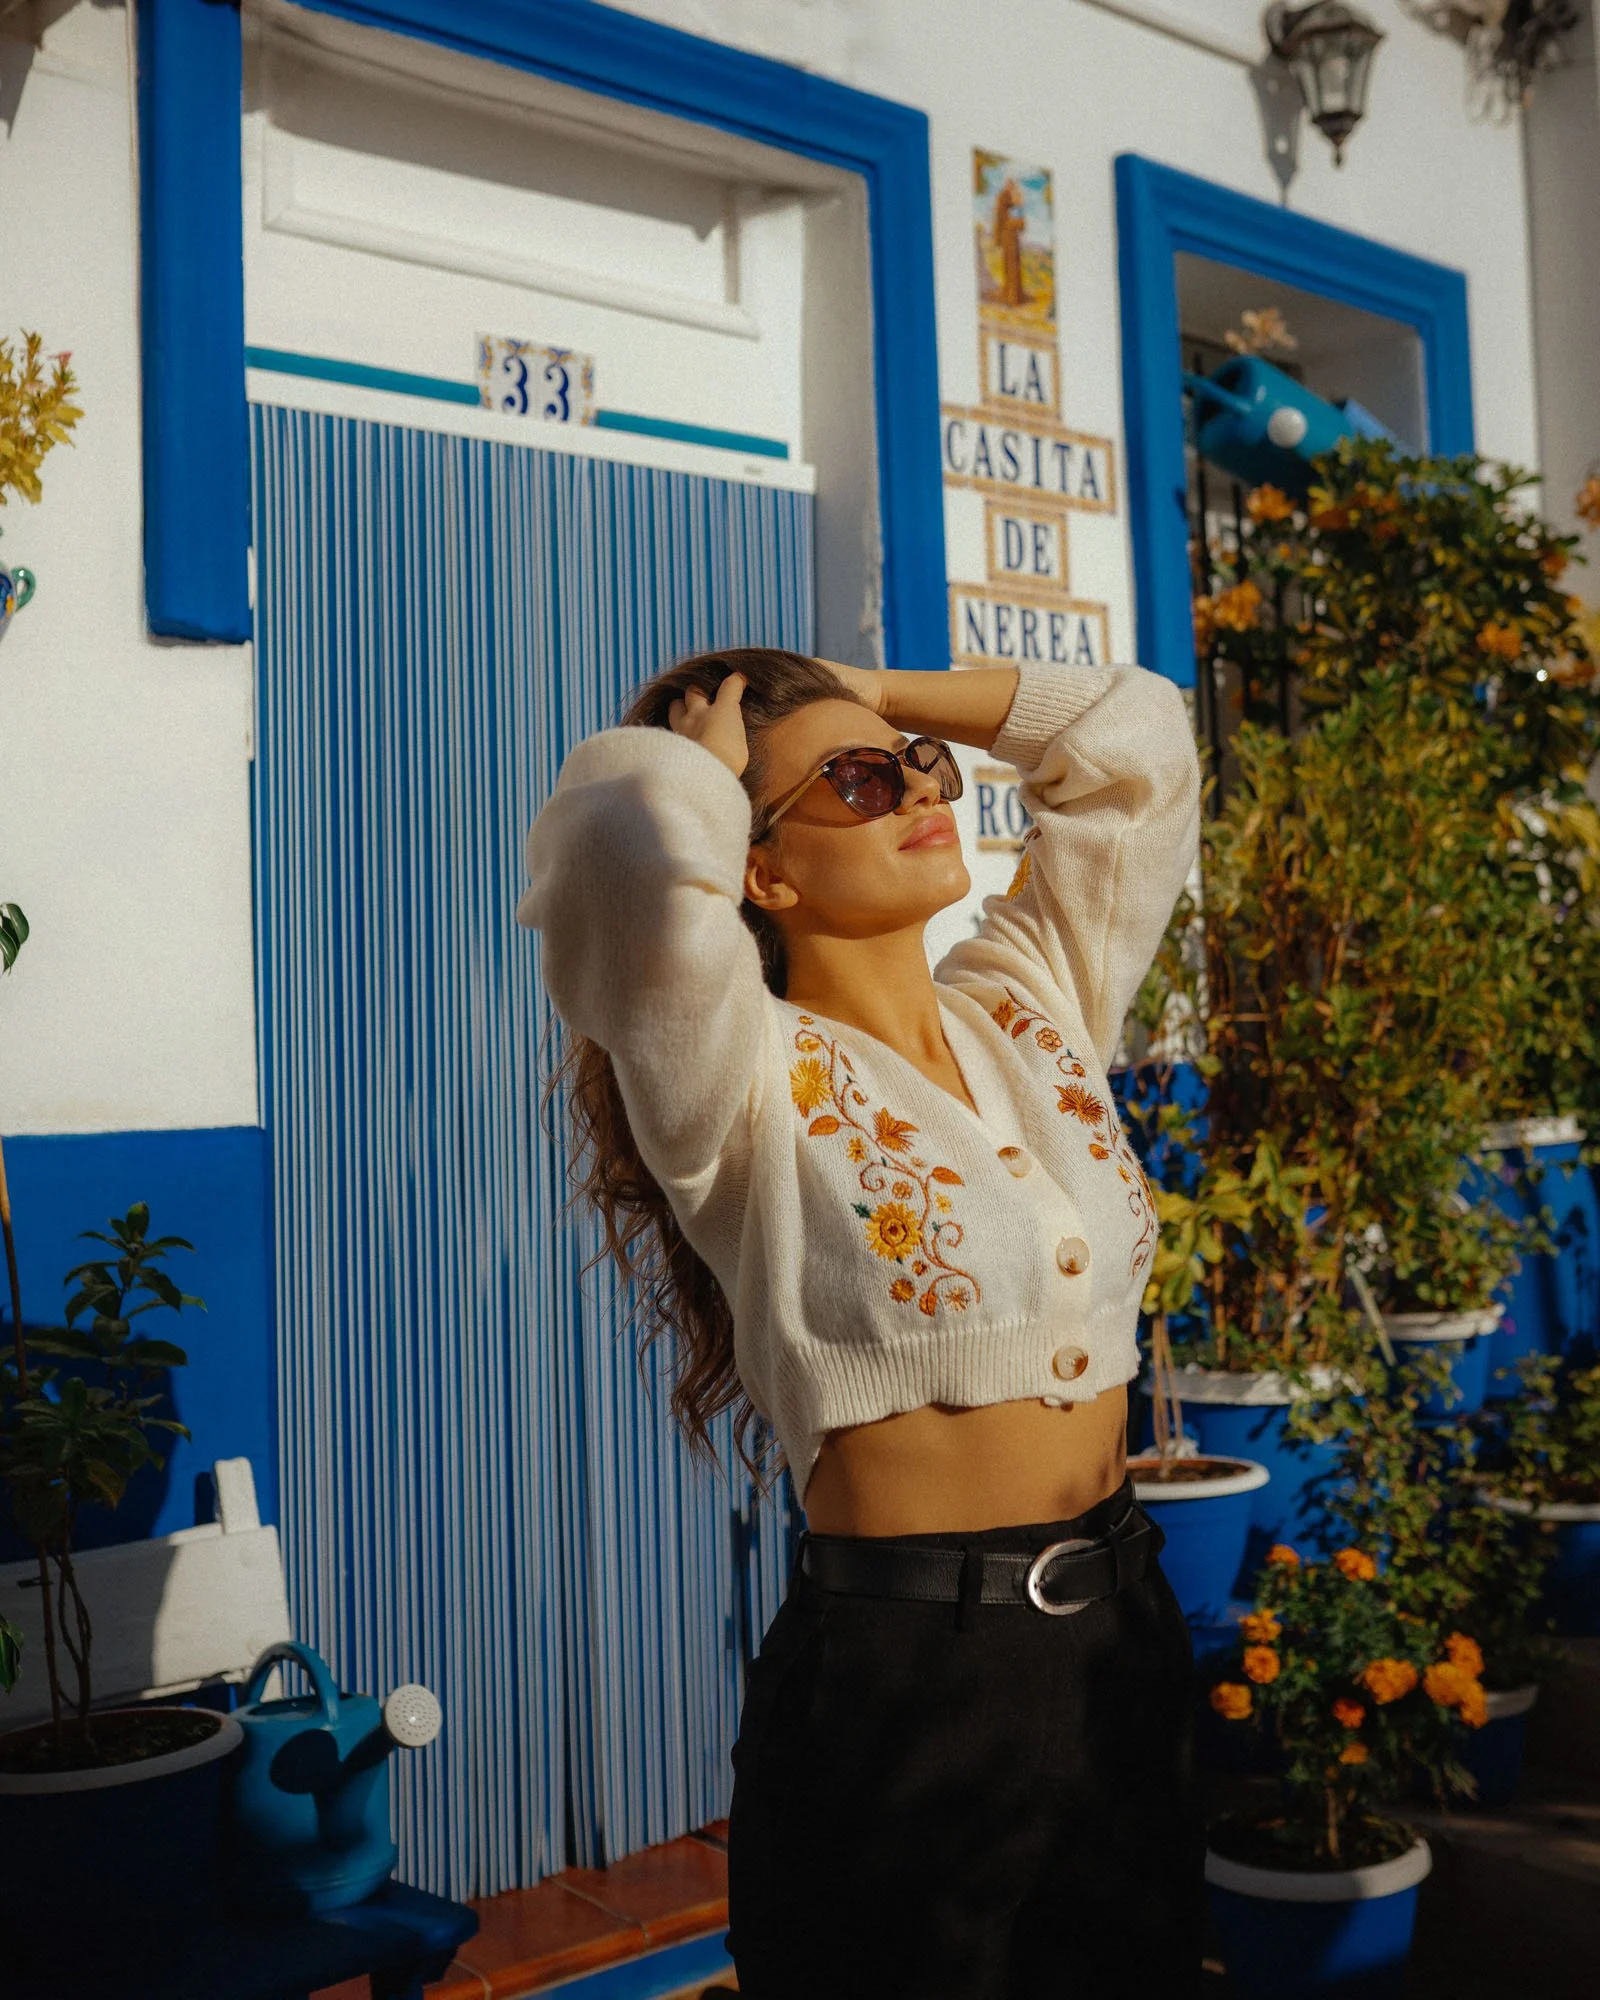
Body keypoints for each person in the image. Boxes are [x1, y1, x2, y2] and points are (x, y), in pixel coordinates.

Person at [516, 647, 1204, 1998]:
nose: (916, 790)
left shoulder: (1030, 1000)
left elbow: (1136, 745)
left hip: (1125, 1639)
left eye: (921, 766)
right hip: (911, 1686)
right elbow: (610, 850)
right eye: (856, 779)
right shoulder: (736, 1085)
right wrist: (700, 766)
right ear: (758, 867)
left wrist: (864, 686)